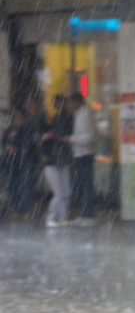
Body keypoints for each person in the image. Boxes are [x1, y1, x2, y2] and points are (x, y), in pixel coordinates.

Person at [41, 94, 74, 227]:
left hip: (59, 160)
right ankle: (53, 217)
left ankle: (62, 216)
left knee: (64, 191)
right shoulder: (60, 121)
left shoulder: (59, 121)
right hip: (55, 162)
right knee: (61, 192)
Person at [67, 92, 96, 226]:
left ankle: (87, 215)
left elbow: (88, 137)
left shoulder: (84, 115)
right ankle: (85, 214)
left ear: (77, 102)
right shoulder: (82, 114)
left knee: (86, 186)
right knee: (84, 185)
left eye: (72, 102)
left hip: (84, 155)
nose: (71, 105)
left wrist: (71, 139)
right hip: (81, 155)